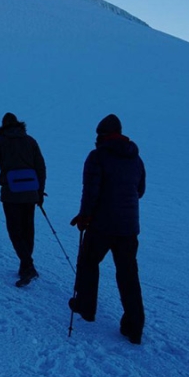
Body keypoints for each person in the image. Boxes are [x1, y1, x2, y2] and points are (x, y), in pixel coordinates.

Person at [68, 114, 146, 344]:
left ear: (101, 135)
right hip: (129, 227)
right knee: (128, 274)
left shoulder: (97, 156)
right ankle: (134, 326)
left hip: (102, 225)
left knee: (88, 263)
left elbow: (90, 191)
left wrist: (85, 217)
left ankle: (86, 306)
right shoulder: (136, 158)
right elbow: (140, 190)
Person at [0, 113, 47, 287]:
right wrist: (40, 192)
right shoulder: (30, 141)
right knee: (28, 229)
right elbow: (41, 167)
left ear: (3, 126)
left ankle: (28, 266)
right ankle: (26, 265)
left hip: (11, 194)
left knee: (15, 231)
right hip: (30, 193)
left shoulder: (0, 142)